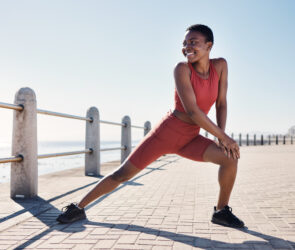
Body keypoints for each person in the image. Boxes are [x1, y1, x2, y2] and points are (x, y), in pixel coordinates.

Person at [56, 24, 244, 228]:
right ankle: (79, 206)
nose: (187, 47)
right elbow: (192, 111)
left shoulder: (221, 66)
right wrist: (224, 137)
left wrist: (221, 136)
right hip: (167, 134)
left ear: (209, 45)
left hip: (191, 138)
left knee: (229, 158)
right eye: (184, 43)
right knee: (122, 174)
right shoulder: (181, 69)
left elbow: (221, 103)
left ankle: (221, 211)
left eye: (193, 42)